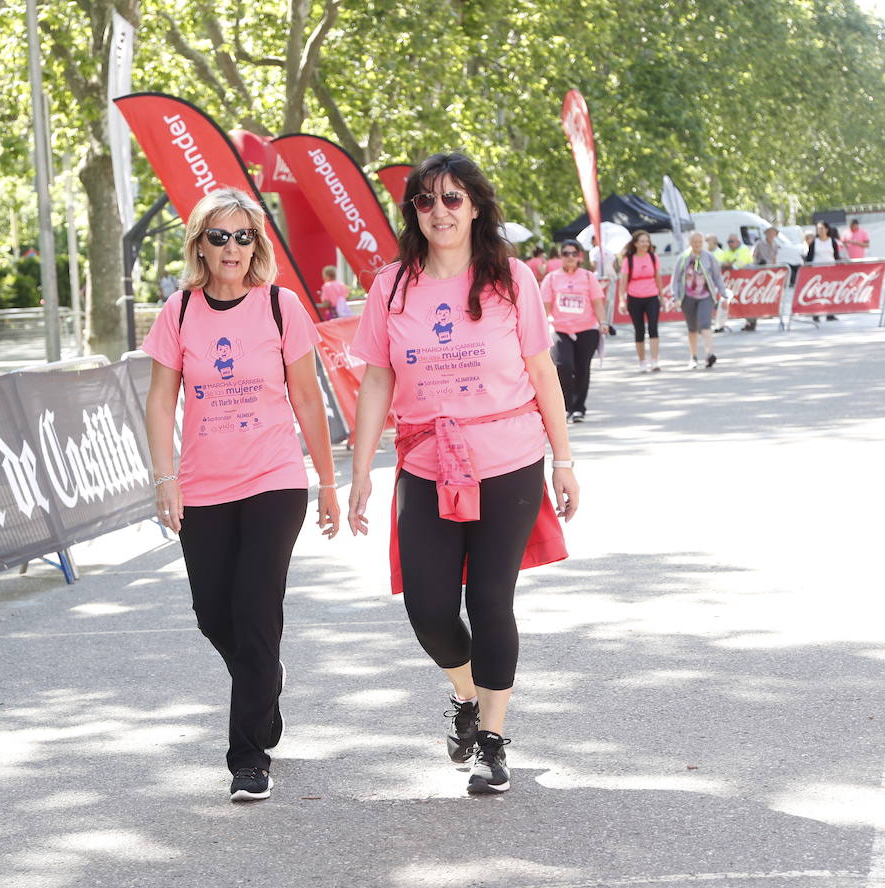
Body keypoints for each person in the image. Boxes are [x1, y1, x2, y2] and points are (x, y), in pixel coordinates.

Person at [346, 152, 574, 797]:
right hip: (426, 462)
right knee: (429, 609)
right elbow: (377, 379)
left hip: (510, 458)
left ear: (475, 205)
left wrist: (564, 459)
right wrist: (360, 470)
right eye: (425, 201)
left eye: (452, 199)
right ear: (412, 211)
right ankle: (467, 696)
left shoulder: (513, 279)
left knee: (490, 599)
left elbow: (540, 370)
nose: (439, 212)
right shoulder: (391, 287)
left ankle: (494, 743)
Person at [141, 187, 339, 803]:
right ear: (200, 243)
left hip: (273, 480)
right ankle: (264, 681)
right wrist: (164, 477)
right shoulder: (178, 311)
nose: (232, 248)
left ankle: (248, 756)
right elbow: (159, 399)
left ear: (258, 244)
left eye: (243, 236)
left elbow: (308, 398)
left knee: (256, 613)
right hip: (203, 487)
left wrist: (329, 484)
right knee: (213, 616)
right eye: (220, 236)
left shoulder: (281, 307)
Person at [540, 240, 606, 421]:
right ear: (560, 257)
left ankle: (579, 408)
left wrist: (603, 322)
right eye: (566, 254)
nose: (570, 257)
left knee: (582, 368)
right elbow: (544, 307)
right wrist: (541, 327)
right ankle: (567, 405)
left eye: (573, 254)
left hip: (586, 329)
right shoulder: (551, 278)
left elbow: (597, 302)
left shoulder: (587, 276)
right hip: (560, 329)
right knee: (563, 365)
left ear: (579, 257)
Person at [670, 232, 727, 369]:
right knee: (692, 328)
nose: (697, 245)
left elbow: (717, 277)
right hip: (688, 296)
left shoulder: (709, 257)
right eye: (695, 242)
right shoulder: (683, 258)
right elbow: (676, 279)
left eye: (700, 242)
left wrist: (724, 295)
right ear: (690, 243)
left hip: (705, 296)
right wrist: (675, 297)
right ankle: (693, 356)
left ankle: (709, 354)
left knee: (705, 324)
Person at [618, 230, 666, 369]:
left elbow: (658, 278)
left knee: (653, 328)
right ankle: (642, 361)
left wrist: (662, 296)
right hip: (634, 297)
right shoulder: (629, 260)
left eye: (647, 241)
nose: (645, 244)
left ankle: (655, 360)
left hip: (652, 296)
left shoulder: (653, 257)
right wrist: (622, 300)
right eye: (642, 241)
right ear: (635, 243)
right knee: (639, 329)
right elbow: (623, 282)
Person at [805, 222, 844, 322]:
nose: (820, 230)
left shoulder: (832, 241)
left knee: (830, 292)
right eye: (818, 229)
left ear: (827, 229)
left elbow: (836, 256)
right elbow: (809, 257)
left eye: (822, 228)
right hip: (817, 271)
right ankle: (816, 314)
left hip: (830, 270)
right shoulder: (815, 242)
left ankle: (830, 313)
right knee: (817, 292)